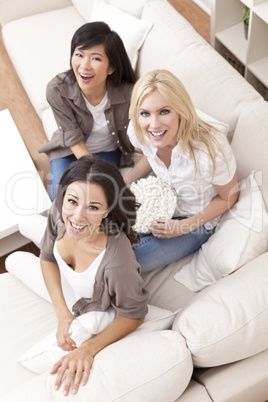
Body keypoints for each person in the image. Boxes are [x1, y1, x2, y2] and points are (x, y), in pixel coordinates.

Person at [13, 156, 149, 396]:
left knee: (17, 258)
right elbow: (46, 257)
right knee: (20, 241)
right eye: (72, 202)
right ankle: (31, 225)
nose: (77, 216)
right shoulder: (60, 210)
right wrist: (62, 314)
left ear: (107, 210)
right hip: (67, 270)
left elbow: (135, 314)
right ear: (63, 196)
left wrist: (87, 348)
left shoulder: (116, 262)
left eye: (93, 207)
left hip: (84, 294)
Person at [124, 69, 239, 272]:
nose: (154, 125)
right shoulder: (141, 131)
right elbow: (149, 156)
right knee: (103, 222)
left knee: (130, 261)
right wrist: (124, 183)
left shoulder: (211, 152)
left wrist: (183, 226)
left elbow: (230, 197)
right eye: (145, 113)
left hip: (194, 219)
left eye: (164, 111)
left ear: (180, 110)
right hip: (158, 200)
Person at [38, 21, 136, 201]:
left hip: (107, 152)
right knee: (63, 200)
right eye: (79, 55)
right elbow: (74, 140)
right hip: (68, 150)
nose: (84, 65)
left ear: (111, 68)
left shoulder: (129, 93)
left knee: (97, 200)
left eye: (96, 58)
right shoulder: (57, 89)